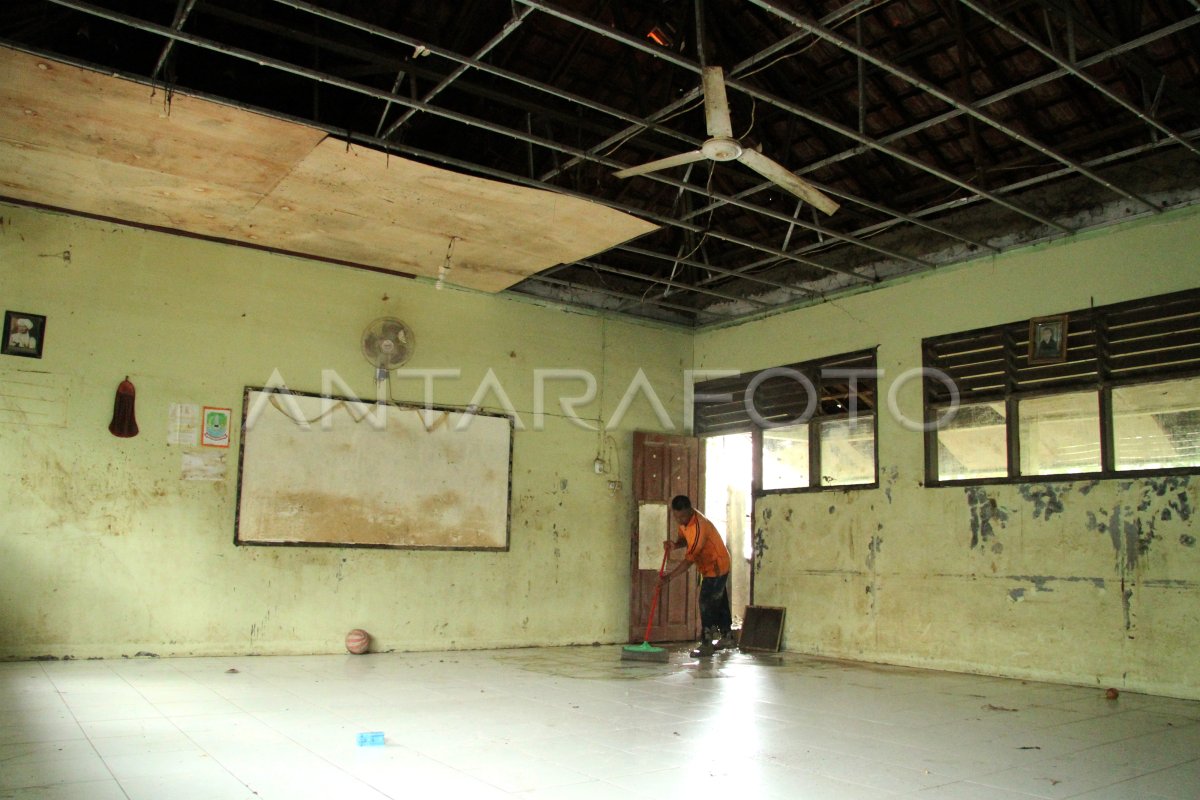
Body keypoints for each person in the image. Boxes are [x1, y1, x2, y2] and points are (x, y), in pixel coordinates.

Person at [661, 494, 733, 657]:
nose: (680, 519)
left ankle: (707, 643)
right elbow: (685, 540)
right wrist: (675, 545)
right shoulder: (685, 523)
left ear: (691, 510)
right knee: (719, 600)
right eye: (677, 516)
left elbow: (689, 561)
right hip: (708, 566)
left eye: (683, 516)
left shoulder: (699, 526)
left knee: (706, 601)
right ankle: (727, 636)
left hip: (717, 565)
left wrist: (669, 577)